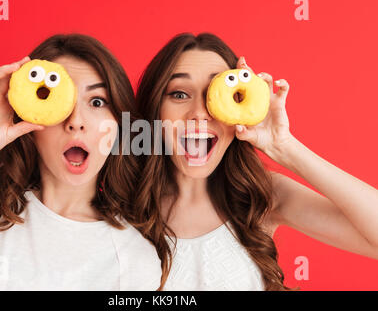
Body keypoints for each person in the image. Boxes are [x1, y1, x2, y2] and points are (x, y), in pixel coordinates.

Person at [133, 32, 378, 290]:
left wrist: (284, 147)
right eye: (180, 94)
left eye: (212, 95)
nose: (199, 113)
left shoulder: (263, 196)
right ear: (155, 110)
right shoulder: (121, 205)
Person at [0, 34, 161, 290]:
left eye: (97, 102)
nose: (76, 120)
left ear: (118, 123)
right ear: (27, 116)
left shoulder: (133, 260)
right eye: (57, 99)